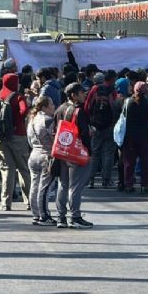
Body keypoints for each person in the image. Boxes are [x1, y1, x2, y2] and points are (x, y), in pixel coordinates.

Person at [0, 73, 31, 209]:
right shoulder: (17, 97)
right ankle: (29, 201)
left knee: (6, 170)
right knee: (23, 169)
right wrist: (16, 121)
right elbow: (24, 110)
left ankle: (5, 203)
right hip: (18, 136)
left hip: (0, 138)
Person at [54, 83, 93, 228]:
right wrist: (89, 151)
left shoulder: (60, 109)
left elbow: (54, 129)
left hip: (61, 151)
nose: (84, 95)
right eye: (82, 93)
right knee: (75, 186)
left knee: (62, 184)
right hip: (76, 153)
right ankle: (75, 217)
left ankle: (60, 217)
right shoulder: (78, 111)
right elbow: (84, 134)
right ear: (74, 95)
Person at [120, 81, 148, 194]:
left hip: (130, 136)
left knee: (129, 161)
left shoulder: (127, 102)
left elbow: (123, 115)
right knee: (145, 161)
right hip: (145, 136)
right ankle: (144, 185)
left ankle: (128, 184)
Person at [26, 95, 57, 226]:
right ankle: (44, 215)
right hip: (46, 155)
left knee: (34, 185)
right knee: (44, 187)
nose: (54, 107)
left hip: (34, 154)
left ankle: (36, 214)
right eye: (51, 105)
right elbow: (54, 138)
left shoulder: (32, 119)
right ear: (45, 107)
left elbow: (29, 140)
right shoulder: (48, 120)